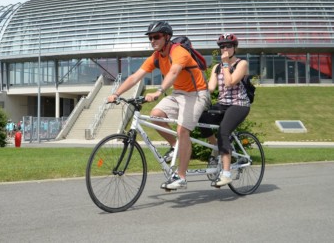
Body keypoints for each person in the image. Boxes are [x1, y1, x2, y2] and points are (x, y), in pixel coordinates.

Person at [107, 21, 210, 190]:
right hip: (179, 93)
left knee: (182, 130)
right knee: (156, 115)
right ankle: (175, 145)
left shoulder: (179, 51)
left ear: (167, 37)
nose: (152, 40)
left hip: (197, 93)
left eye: (156, 37)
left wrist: (159, 91)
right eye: (150, 38)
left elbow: (174, 71)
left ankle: (181, 176)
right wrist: (116, 94)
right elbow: (135, 77)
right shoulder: (156, 57)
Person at [198, 33, 251, 187]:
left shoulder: (242, 64)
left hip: (239, 104)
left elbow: (230, 82)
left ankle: (226, 174)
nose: (225, 49)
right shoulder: (217, 67)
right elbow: (211, 87)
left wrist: (226, 64)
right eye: (222, 47)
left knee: (223, 131)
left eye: (228, 46)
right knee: (201, 119)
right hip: (223, 104)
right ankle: (216, 147)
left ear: (235, 47)